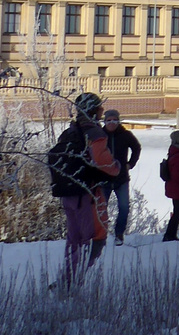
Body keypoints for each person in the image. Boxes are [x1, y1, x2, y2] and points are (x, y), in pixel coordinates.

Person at [48, 92, 121, 285]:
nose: (102, 111)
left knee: (74, 239)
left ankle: (66, 280)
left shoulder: (70, 131)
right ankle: (74, 283)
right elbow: (103, 161)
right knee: (94, 237)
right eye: (99, 108)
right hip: (87, 193)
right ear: (93, 110)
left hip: (68, 193)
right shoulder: (93, 132)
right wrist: (117, 167)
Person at [102, 108, 141, 246]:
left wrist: (130, 164)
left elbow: (136, 147)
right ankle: (100, 236)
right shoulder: (100, 136)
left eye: (114, 120)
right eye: (109, 120)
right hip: (104, 179)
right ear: (104, 121)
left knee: (124, 207)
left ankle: (119, 234)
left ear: (118, 121)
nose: (112, 123)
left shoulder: (126, 135)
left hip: (121, 178)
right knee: (101, 208)